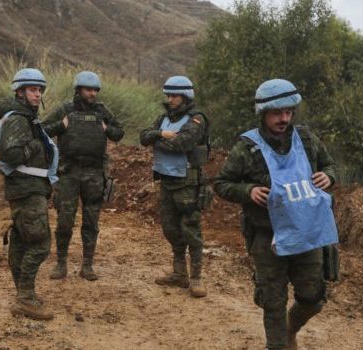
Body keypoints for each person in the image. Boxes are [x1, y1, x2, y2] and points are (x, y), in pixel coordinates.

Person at [214, 79, 339, 350]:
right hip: (267, 236)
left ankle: (290, 328)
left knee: (313, 297)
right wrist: (248, 191)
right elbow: (221, 183)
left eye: (289, 112)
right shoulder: (247, 148)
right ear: (263, 113)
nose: (284, 118)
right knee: (273, 302)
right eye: (277, 113)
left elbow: (329, 165)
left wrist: (327, 176)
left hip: (307, 233)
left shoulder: (306, 139)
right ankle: (278, 344)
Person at [43, 71, 124, 281]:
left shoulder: (102, 111)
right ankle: (61, 264)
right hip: (69, 173)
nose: (93, 94)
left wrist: (106, 129)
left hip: (94, 173)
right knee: (64, 221)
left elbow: (119, 133)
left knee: (91, 221)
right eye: (89, 90)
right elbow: (42, 130)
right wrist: (60, 126)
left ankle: (87, 266)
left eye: (96, 90)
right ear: (78, 90)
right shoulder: (65, 109)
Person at [0, 68, 59, 320]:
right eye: (33, 89)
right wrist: (35, 146)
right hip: (26, 189)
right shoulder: (18, 119)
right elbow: (10, 152)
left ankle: (24, 294)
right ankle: (25, 298)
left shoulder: (25, 117)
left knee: (21, 242)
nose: (37, 94)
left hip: (28, 188)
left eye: (39, 90)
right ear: (20, 92)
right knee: (41, 244)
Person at [139, 76, 210, 298]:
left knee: (191, 228)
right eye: (168, 95)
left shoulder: (197, 119)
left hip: (187, 182)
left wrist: (157, 141)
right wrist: (161, 134)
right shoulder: (164, 119)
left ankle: (196, 278)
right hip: (167, 180)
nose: (170, 99)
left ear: (186, 96)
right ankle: (179, 273)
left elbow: (183, 143)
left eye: (174, 96)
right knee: (170, 228)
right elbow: (143, 137)